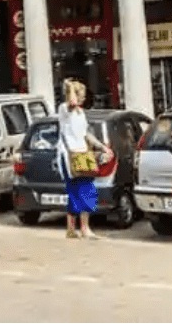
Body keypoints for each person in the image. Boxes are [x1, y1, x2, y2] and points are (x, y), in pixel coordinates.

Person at [55, 79, 113, 240]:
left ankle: (74, 228)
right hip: (69, 156)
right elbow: (71, 102)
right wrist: (69, 86)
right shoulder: (64, 109)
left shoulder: (81, 113)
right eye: (82, 95)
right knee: (79, 190)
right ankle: (82, 228)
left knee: (84, 189)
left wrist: (102, 147)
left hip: (83, 153)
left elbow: (86, 134)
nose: (83, 98)